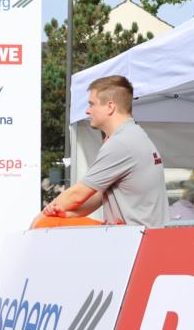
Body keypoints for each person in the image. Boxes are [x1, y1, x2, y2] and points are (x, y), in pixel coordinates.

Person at [32, 75, 168, 229]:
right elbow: (98, 195)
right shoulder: (133, 135)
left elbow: (77, 195)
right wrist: (70, 214)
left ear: (110, 106)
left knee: (45, 224)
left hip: (136, 240)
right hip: (142, 237)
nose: (87, 110)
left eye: (92, 104)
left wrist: (39, 219)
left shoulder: (121, 143)